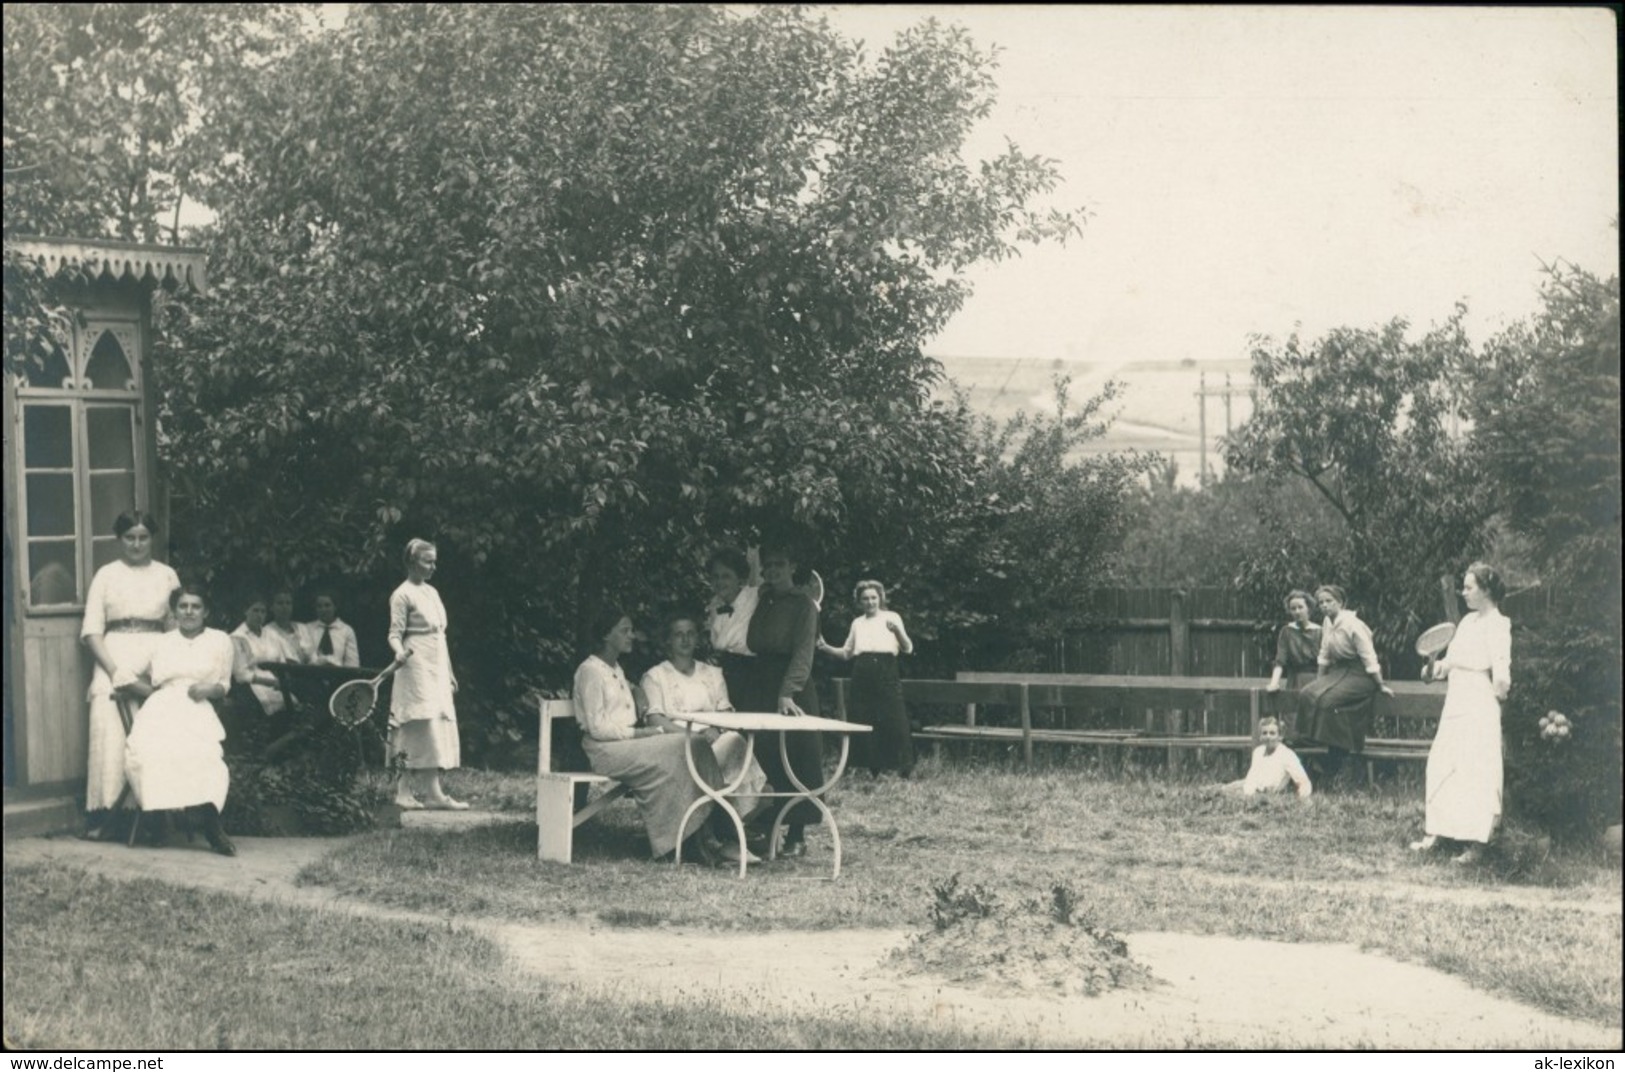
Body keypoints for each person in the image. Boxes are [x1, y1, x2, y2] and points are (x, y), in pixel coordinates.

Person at [574, 608, 744, 864]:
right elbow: (597, 728)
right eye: (625, 630)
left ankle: (707, 834)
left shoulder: (613, 668)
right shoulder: (590, 671)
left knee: (693, 746)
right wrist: (639, 733)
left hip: (626, 744)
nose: (632, 635)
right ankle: (692, 839)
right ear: (606, 636)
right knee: (684, 749)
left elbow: (617, 689)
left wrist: (636, 689)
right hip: (604, 749)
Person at [80, 510, 181, 827]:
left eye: (143, 537)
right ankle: (107, 812)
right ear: (119, 540)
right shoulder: (106, 575)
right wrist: (113, 671)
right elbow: (91, 632)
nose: (137, 544)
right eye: (130, 538)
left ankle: (152, 811)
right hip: (115, 652)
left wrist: (164, 668)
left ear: (152, 539)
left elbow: (175, 628)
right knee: (109, 727)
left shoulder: (167, 575)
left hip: (156, 653)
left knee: (153, 729)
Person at [121, 583, 237, 856]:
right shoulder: (161, 642)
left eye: (195, 606)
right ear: (174, 611)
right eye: (183, 606)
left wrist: (210, 689)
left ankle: (211, 826)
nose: (189, 612)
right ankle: (157, 820)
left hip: (198, 708)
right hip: (162, 708)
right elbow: (124, 674)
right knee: (151, 752)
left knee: (205, 755)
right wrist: (154, 692)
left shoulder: (220, 640)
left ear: (205, 611)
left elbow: (225, 684)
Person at [1411, 562, 1512, 865]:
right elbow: (1448, 663)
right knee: (1442, 763)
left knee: (1476, 771)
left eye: (1469, 587)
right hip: (1455, 702)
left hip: (1479, 703)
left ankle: (1476, 844)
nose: (1464, 592)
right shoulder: (1467, 622)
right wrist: (1433, 666)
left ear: (1487, 590)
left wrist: (1497, 699)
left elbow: (1502, 671)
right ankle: (1438, 832)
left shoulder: (1499, 624)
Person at [739, 542, 826, 858]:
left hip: (791, 687)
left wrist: (787, 692)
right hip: (760, 683)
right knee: (764, 755)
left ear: (792, 567)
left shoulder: (804, 605)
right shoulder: (764, 600)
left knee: (797, 756)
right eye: (768, 565)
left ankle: (797, 835)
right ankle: (766, 830)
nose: (773, 570)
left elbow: (804, 652)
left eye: (780, 564)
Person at [641, 613, 770, 822]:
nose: (685, 639)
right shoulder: (656, 676)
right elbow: (654, 720)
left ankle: (732, 821)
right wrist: (693, 735)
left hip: (715, 738)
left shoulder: (712, 673)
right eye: (678, 635)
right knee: (734, 742)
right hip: (679, 743)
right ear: (668, 640)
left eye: (691, 634)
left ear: (698, 639)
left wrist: (717, 729)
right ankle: (738, 816)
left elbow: (726, 711)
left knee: (732, 740)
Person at [386, 539, 466, 810]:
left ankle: (434, 793)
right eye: (427, 561)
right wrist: (398, 651)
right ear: (411, 562)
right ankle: (402, 791)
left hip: (437, 665)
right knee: (414, 725)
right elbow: (395, 633)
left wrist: (450, 672)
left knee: (435, 726)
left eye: (434, 561)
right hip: (414, 665)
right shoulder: (401, 594)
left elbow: (440, 636)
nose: (433, 566)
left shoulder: (432, 592)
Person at [1295, 584, 1393, 787]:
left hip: (1361, 675)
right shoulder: (1327, 623)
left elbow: (1369, 657)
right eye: (1321, 602)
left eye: (1329, 601)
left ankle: (1332, 762)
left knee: (1328, 701)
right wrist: (1319, 682)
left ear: (1341, 602)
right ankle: (1311, 746)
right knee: (1307, 694)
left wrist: (1380, 684)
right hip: (1338, 672)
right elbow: (1324, 655)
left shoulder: (1353, 624)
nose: (1324, 606)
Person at [818, 579, 916, 777]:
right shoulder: (857, 623)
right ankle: (870, 768)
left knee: (893, 717)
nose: (870, 602)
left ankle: (902, 768)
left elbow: (908, 648)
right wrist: (825, 647)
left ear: (880, 598)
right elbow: (846, 653)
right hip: (862, 672)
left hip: (887, 670)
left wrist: (896, 631)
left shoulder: (892, 617)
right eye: (865, 599)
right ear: (859, 602)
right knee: (863, 717)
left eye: (873, 598)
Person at [230, 595, 302, 717]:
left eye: (263, 611)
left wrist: (282, 681)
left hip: (278, 681)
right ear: (246, 611)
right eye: (255, 610)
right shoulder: (237, 637)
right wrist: (272, 682)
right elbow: (241, 675)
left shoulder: (271, 634)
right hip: (252, 685)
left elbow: (282, 661)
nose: (259, 615)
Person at [1223, 716, 1313, 799]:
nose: (1268, 737)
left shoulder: (1287, 755)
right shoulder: (1258, 752)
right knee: (1221, 790)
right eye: (1264, 733)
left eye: (1272, 733)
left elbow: (1304, 782)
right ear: (1260, 736)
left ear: (1280, 736)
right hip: (1251, 787)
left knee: (1230, 794)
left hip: (1267, 794)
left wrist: (1302, 797)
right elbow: (1251, 778)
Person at [301, 591, 360, 668]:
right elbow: (303, 657)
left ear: (335, 607)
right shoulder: (307, 628)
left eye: (327, 605)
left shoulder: (346, 630)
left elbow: (352, 663)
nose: (323, 609)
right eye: (319, 606)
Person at [267, 589, 311, 664]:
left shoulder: (302, 628)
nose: (285, 607)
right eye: (280, 603)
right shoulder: (267, 632)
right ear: (272, 607)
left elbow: (312, 655)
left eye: (288, 603)